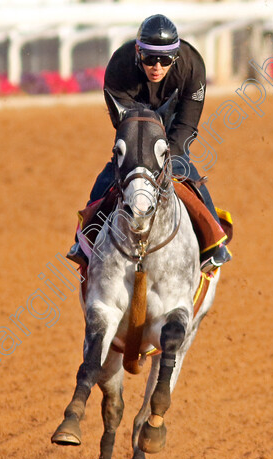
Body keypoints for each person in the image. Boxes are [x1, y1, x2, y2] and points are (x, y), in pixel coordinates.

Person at [68, 14, 231, 272]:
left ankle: (215, 242)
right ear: (137, 52)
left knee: (189, 175)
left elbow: (187, 124)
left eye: (165, 60)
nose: (157, 66)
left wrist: (168, 156)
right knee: (107, 179)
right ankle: (85, 242)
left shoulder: (192, 66)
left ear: (175, 56)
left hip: (172, 131)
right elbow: (125, 126)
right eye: (149, 58)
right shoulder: (119, 67)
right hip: (134, 129)